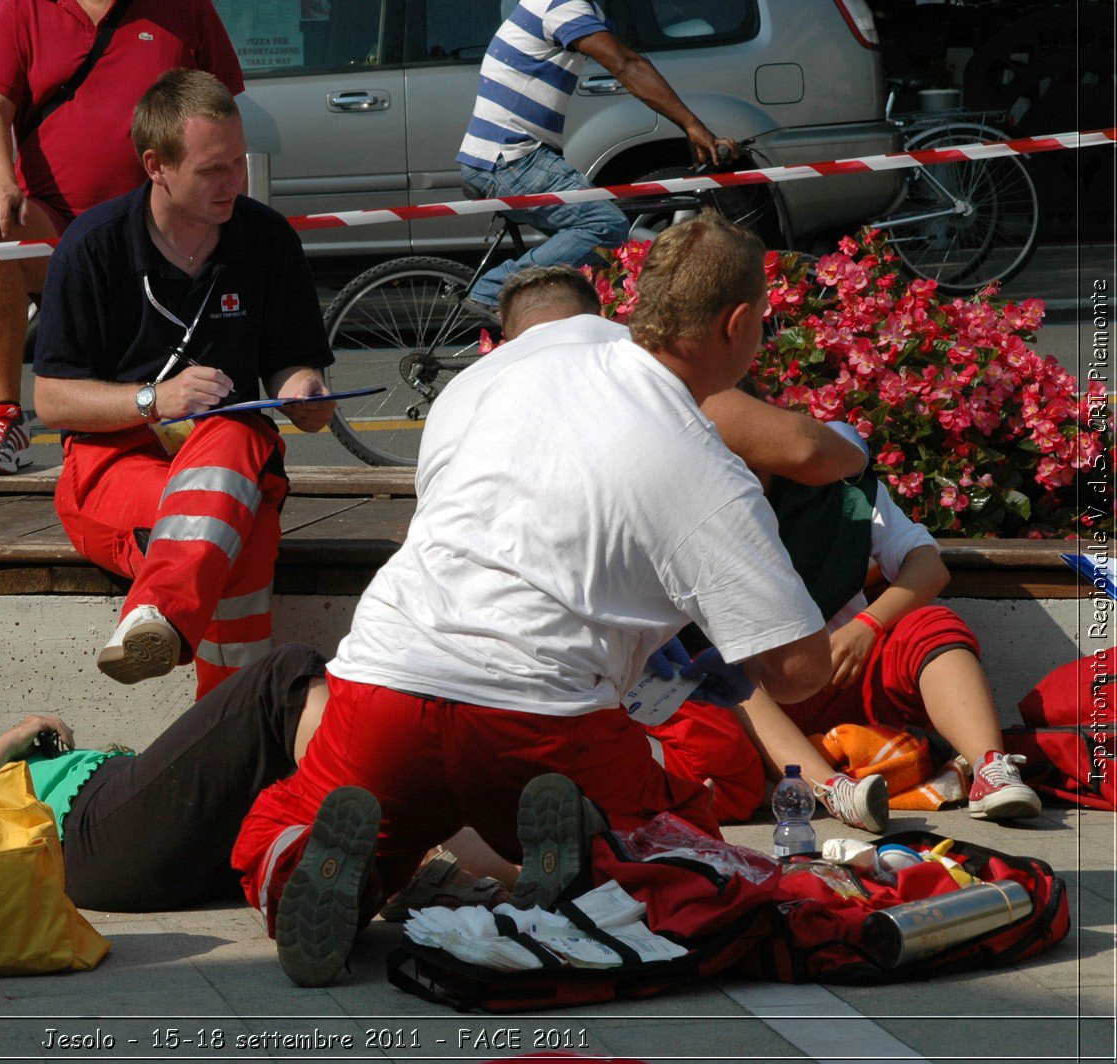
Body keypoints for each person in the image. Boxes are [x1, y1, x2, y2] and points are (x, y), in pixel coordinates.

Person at [231, 212, 832, 988]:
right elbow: (797, 669)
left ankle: (297, 866)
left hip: (385, 677)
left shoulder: (492, 374)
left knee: (291, 817)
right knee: (687, 837)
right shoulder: (697, 457)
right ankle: (590, 873)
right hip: (542, 719)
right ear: (739, 322)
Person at [34, 70, 334, 698]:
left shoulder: (266, 238)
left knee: (230, 431)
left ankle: (158, 618)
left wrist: (305, 389)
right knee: (239, 528)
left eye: (238, 164)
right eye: (211, 170)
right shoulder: (92, 246)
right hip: (115, 466)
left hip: (227, 459)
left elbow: (291, 364)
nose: (233, 183)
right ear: (157, 167)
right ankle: (237, 724)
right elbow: (51, 399)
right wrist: (154, 401)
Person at [654, 458, 1044, 828]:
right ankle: (835, 792)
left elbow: (928, 564)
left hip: (850, 671)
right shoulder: (678, 504)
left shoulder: (837, 487)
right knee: (725, 676)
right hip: (763, 711)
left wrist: (867, 626)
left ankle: (991, 769)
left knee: (930, 623)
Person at [0, 0, 243, 476]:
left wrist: (234, 219)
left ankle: (181, 416)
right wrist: (0, 182)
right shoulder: (21, 7)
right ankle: (5, 415)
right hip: (55, 225)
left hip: (159, 229)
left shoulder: (186, 7)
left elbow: (226, 113)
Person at [0, 639, 332, 912]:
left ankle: (357, 881)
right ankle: (380, 831)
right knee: (279, 677)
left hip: (116, 828)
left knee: (292, 805)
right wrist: (11, 740)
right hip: (90, 835)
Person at [458, 0, 738, 312]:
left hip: (510, 156)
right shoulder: (561, 6)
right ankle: (496, 289)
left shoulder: (581, 9)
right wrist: (692, 125)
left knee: (598, 267)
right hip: (511, 158)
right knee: (604, 225)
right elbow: (627, 65)